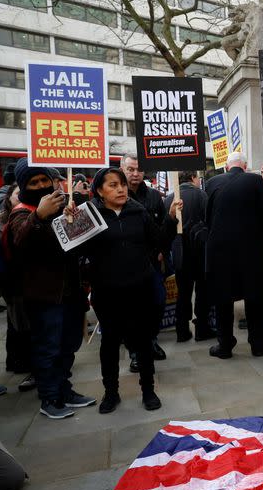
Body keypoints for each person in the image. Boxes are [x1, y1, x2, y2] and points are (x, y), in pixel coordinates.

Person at [81, 167, 181, 414]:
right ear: (99, 191)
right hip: (108, 292)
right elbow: (75, 251)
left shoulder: (138, 211)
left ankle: (148, 390)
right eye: (113, 185)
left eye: (122, 184)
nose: (121, 189)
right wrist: (71, 223)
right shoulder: (90, 215)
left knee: (144, 342)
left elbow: (159, 241)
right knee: (111, 343)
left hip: (141, 288)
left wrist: (170, 218)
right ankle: (111, 392)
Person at [7, 158, 95, 419]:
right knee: (48, 347)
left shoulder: (62, 208)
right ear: (24, 186)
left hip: (70, 292)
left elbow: (74, 244)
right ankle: (49, 397)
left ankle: (63, 389)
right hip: (44, 296)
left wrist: (76, 220)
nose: (42, 185)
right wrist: (38, 216)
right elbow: (21, 240)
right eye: (34, 182)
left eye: (45, 180)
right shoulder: (21, 212)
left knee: (69, 345)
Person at [205, 152, 263, 359]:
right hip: (251, 252)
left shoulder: (212, 183)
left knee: (223, 301)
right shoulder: (255, 181)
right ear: (244, 167)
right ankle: (257, 345)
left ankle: (225, 345)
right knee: (254, 299)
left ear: (227, 167)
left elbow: (207, 219)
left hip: (220, 253)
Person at [120, 153, 167, 365]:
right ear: (122, 169)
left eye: (139, 169)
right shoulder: (115, 195)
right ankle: (135, 351)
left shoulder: (155, 197)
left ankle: (151, 340)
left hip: (151, 262)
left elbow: (164, 228)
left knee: (157, 302)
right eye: (130, 169)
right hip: (126, 264)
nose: (135, 174)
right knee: (130, 309)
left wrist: (161, 250)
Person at [164, 171, 215, 343]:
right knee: (202, 291)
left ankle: (182, 330)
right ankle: (202, 328)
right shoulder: (202, 195)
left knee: (183, 293)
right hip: (200, 251)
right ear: (194, 178)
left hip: (179, 252)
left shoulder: (169, 198)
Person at [0, 184, 34, 392]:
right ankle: (19, 361)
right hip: (12, 281)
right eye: (16, 194)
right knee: (18, 325)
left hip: (28, 281)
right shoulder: (6, 221)